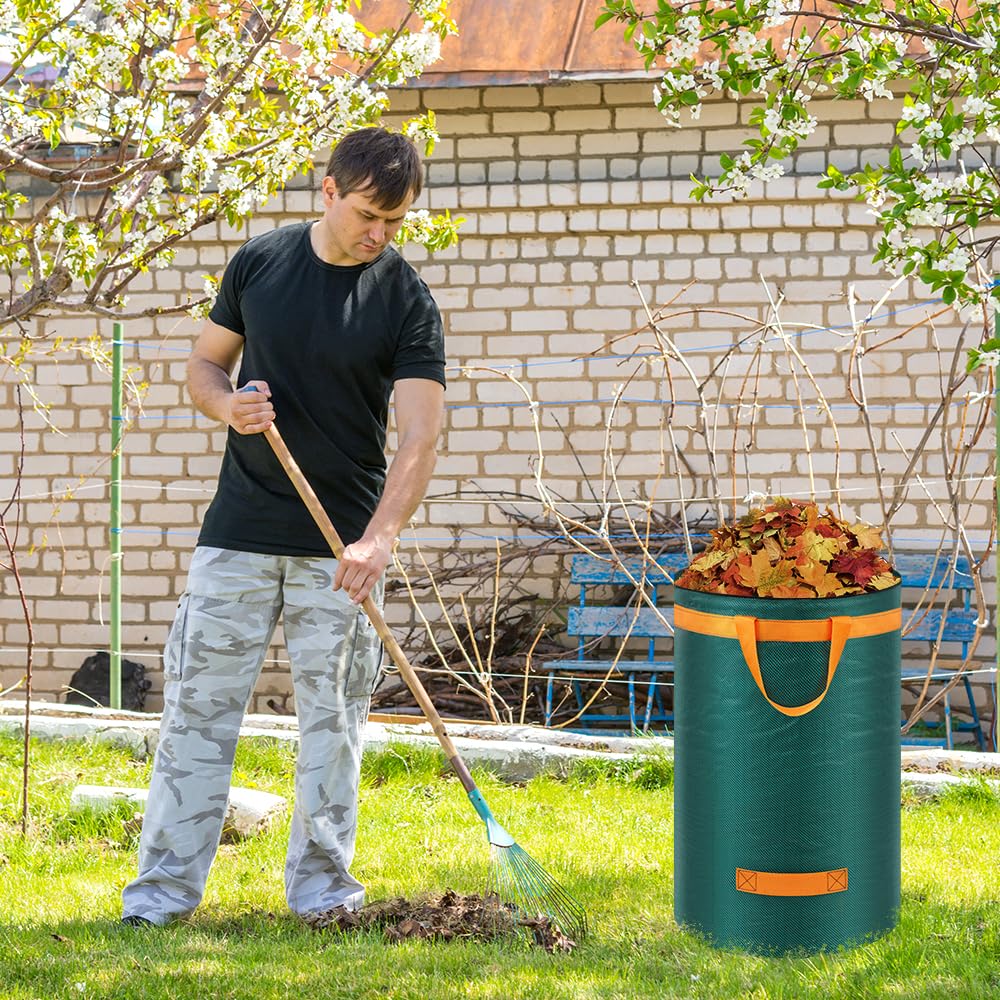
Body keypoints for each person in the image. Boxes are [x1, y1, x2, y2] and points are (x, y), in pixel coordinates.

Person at [121, 128, 446, 927]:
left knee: (333, 730)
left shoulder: (405, 299)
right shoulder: (258, 264)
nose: (381, 234)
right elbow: (203, 366)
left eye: (396, 222)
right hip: (237, 534)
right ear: (328, 191)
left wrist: (381, 538)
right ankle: (159, 900)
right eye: (370, 214)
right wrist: (225, 405)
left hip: (340, 553)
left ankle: (324, 896)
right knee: (196, 717)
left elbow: (420, 436)